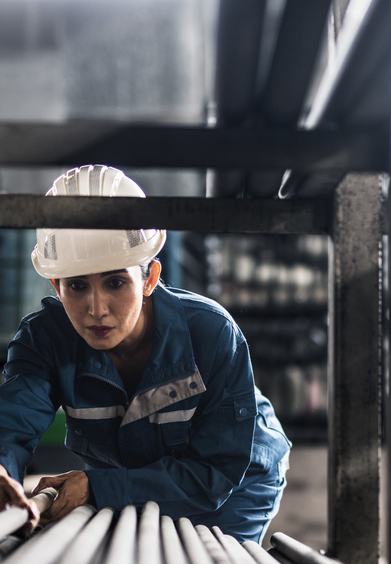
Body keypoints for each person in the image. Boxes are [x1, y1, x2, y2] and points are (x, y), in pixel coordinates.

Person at [0, 164, 290, 543]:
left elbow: (216, 474)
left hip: (236, 484)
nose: (96, 308)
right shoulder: (44, 340)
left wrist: (99, 487)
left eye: (116, 282)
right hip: (136, 475)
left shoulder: (211, 333)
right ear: (56, 286)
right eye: (76, 286)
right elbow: (13, 420)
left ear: (150, 278)